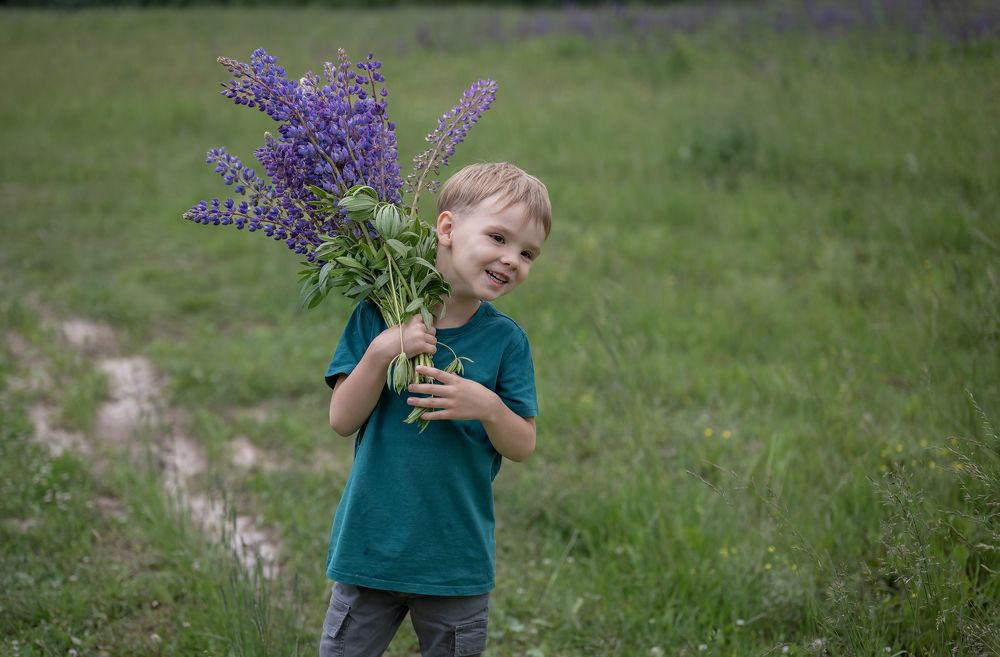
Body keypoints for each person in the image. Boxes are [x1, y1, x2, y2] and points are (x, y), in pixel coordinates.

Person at [319, 162, 552, 657]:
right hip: (371, 545)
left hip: (455, 557)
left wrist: (488, 407)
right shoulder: (381, 313)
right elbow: (342, 419)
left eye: (528, 252)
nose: (512, 259)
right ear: (446, 228)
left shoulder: (505, 340)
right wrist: (382, 351)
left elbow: (523, 444)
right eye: (498, 238)